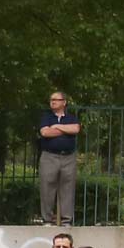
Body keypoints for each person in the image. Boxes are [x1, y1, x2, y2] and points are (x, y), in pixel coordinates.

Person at [36, 89, 81, 225]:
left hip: (68, 157)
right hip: (49, 156)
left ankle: (67, 220)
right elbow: (45, 133)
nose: (53, 102)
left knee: (68, 188)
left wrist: (57, 127)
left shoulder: (71, 117)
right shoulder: (46, 117)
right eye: (51, 100)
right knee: (47, 188)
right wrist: (65, 130)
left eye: (56, 99)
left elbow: (76, 129)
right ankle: (47, 220)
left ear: (64, 102)